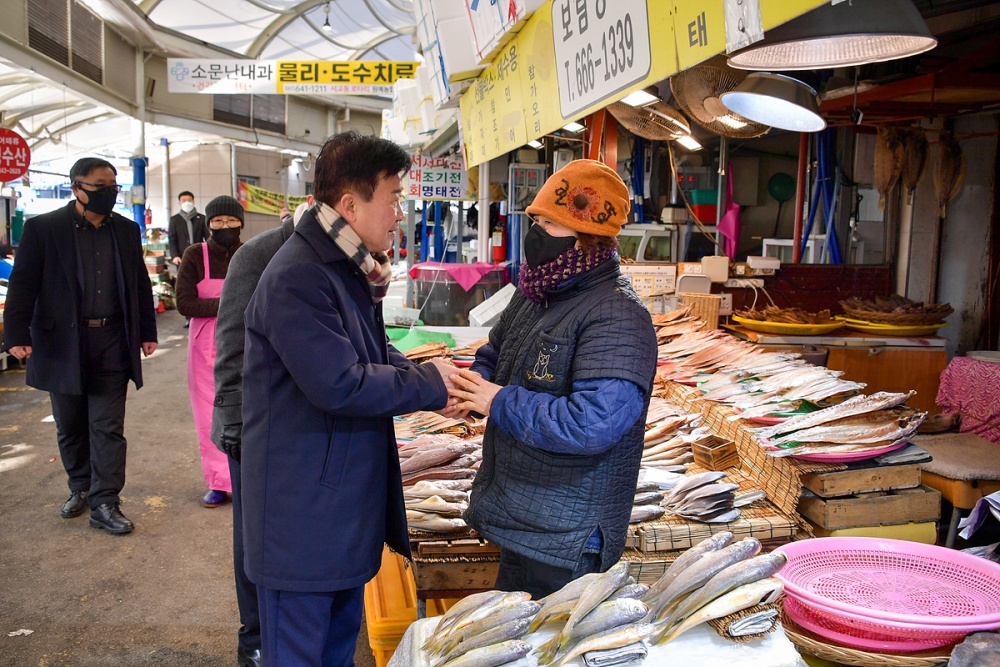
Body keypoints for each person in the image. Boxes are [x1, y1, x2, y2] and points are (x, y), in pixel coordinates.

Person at [241, 131, 460, 666]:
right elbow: (340, 382)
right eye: (393, 199)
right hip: (303, 520)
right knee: (301, 654)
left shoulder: (347, 267)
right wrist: (430, 384)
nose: (399, 214)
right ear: (349, 205)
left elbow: (372, 349)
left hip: (334, 511)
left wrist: (434, 380)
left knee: (336, 652)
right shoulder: (298, 276)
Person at [449, 159, 659, 599]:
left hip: (567, 538)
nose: (537, 233)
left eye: (550, 223)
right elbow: (495, 353)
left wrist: (497, 401)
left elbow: (592, 423)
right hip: (521, 518)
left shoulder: (618, 316)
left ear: (588, 236)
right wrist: (470, 389)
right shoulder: (536, 292)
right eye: (536, 221)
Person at [1, 157, 158, 535]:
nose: (109, 193)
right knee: (70, 424)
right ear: (76, 188)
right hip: (61, 342)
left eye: (113, 187)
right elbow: (23, 283)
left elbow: (139, 282)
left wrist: (146, 330)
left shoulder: (126, 230)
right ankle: (80, 487)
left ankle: (106, 501)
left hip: (112, 340)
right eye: (99, 187)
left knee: (107, 426)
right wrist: (16, 334)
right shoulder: (44, 228)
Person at [210, 195, 312, 667]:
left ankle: (286, 627)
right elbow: (230, 341)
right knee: (254, 536)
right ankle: (253, 635)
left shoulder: (342, 254)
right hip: (256, 424)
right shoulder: (258, 255)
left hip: (304, 422)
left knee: (288, 535)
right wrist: (232, 417)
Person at [175, 195, 244, 508]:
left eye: (231, 220)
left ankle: (246, 479)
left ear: (241, 223)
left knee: (247, 412)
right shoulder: (195, 254)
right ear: (208, 224)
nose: (224, 226)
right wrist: (230, 305)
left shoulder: (251, 253)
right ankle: (218, 482)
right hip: (205, 348)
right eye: (218, 221)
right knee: (208, 415)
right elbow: (184, 303)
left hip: (245, 344)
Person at [168, 191, 207, 267]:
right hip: (181, 257)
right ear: (179, 203)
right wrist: (175, 256)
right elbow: (172, 239)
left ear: (193, 201)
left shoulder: (202, 218)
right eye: (184, 201)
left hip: (199, 255)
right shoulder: (174, 220)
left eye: (189, 200)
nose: (187, 203)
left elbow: (208, 237)